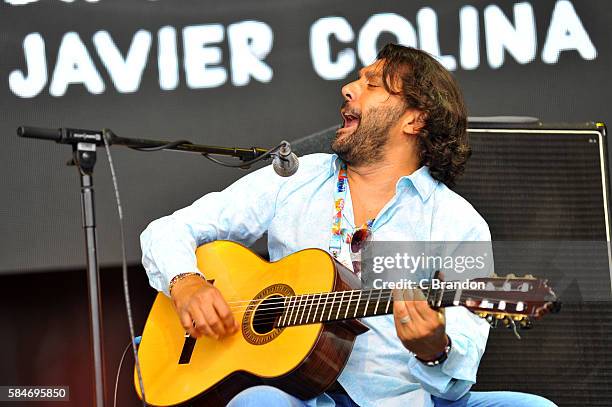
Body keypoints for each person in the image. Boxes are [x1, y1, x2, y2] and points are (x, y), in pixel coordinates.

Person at [140, 43, 556, 407]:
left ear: (414, 119)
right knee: (258, 402)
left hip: (402, 399)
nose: (348, 88)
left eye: (372, 84)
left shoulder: (456, 222)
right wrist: (186, 283)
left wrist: (434, 349)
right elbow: (168, 230)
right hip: (296, 394)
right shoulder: (297, 177)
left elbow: (457, 374)